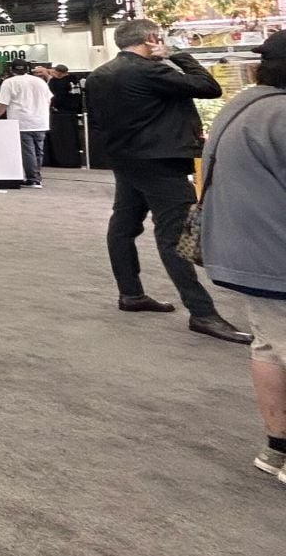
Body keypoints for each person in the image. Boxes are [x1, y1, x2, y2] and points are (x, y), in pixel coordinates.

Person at [84, 18, 250, 343]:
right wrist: (177, 55)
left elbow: (98, 121)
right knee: (173, 235)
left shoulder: (99, 75)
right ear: (151, 38)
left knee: (123, 227)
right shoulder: (149, 71)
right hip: (161, 161)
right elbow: (208, 87)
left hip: (126, 160)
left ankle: (131, 293)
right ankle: (202, 313)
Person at [198, 31, 286, 481]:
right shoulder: (280, 113)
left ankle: (278, 448)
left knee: (270, 345)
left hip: (245, 250)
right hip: (274, 250)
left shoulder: (244, 104)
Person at [0, 60, 51, 188]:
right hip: (41, 121)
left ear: (11, 69)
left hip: (22, 121)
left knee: (28, 152)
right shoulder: (40, 81)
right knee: (38, 151)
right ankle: (36, 176)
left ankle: (33, 179)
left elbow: (3, 103)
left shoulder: (9, 82)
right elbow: (49, 100)